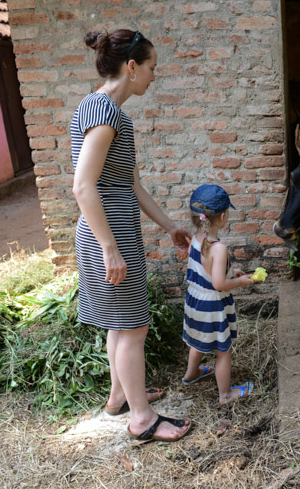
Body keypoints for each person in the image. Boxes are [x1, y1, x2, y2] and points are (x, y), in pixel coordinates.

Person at [71, 29, 193, 442]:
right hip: (109, 235)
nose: (154, 76)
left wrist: (170, 225)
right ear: (132, 67)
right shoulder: (104, 113)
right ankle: (141, 419)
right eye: (152, 68)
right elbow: (83, 186)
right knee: (134, 328)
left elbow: (131, 186)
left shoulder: (110, 112)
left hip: (116, 230)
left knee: (120, 326)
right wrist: (110, 248)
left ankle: (119, 398)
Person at [181, 184, 255, 405]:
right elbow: (219, 283)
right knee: (224, 350)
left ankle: (190, 374)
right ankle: (225, 395)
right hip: (212, 306)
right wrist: (239, 281)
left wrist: (231, 271)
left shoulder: (195, 238)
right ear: (223, 216)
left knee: (197, 341)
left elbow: (206, 271)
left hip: (195, 302)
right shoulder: (218, 247)